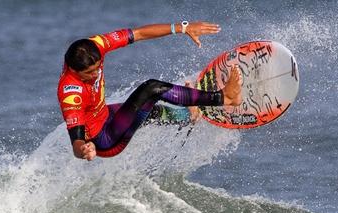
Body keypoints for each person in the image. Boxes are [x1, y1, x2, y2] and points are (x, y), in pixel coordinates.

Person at [57, 21, 241, 161]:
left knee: (148, 110)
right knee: (151, 89)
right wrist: (84, 150)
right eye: (89, 73)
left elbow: (138, 33)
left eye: (98, 67)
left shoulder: (96, 44)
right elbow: (76, 142)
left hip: (105, 115)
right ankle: (224, 97)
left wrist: (183, 28)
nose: (96, 73)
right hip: (104, 140)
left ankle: (189, 115)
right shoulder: (70, 94)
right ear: (74, 70)